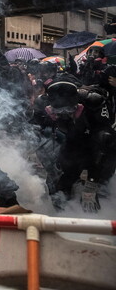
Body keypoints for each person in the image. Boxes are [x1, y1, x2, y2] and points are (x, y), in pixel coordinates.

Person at [34, 79, 116, 212]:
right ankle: (63, 215)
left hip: (91, 143)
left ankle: (102, 199)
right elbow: (34, 132)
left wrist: (92, 183)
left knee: (106, 143)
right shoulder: (41, 104)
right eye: (59, 111)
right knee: (58, 189)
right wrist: (52, 170)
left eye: (68, 109)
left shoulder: (92, 102)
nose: (65, 114)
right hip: (66, 144)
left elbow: (104, 141)